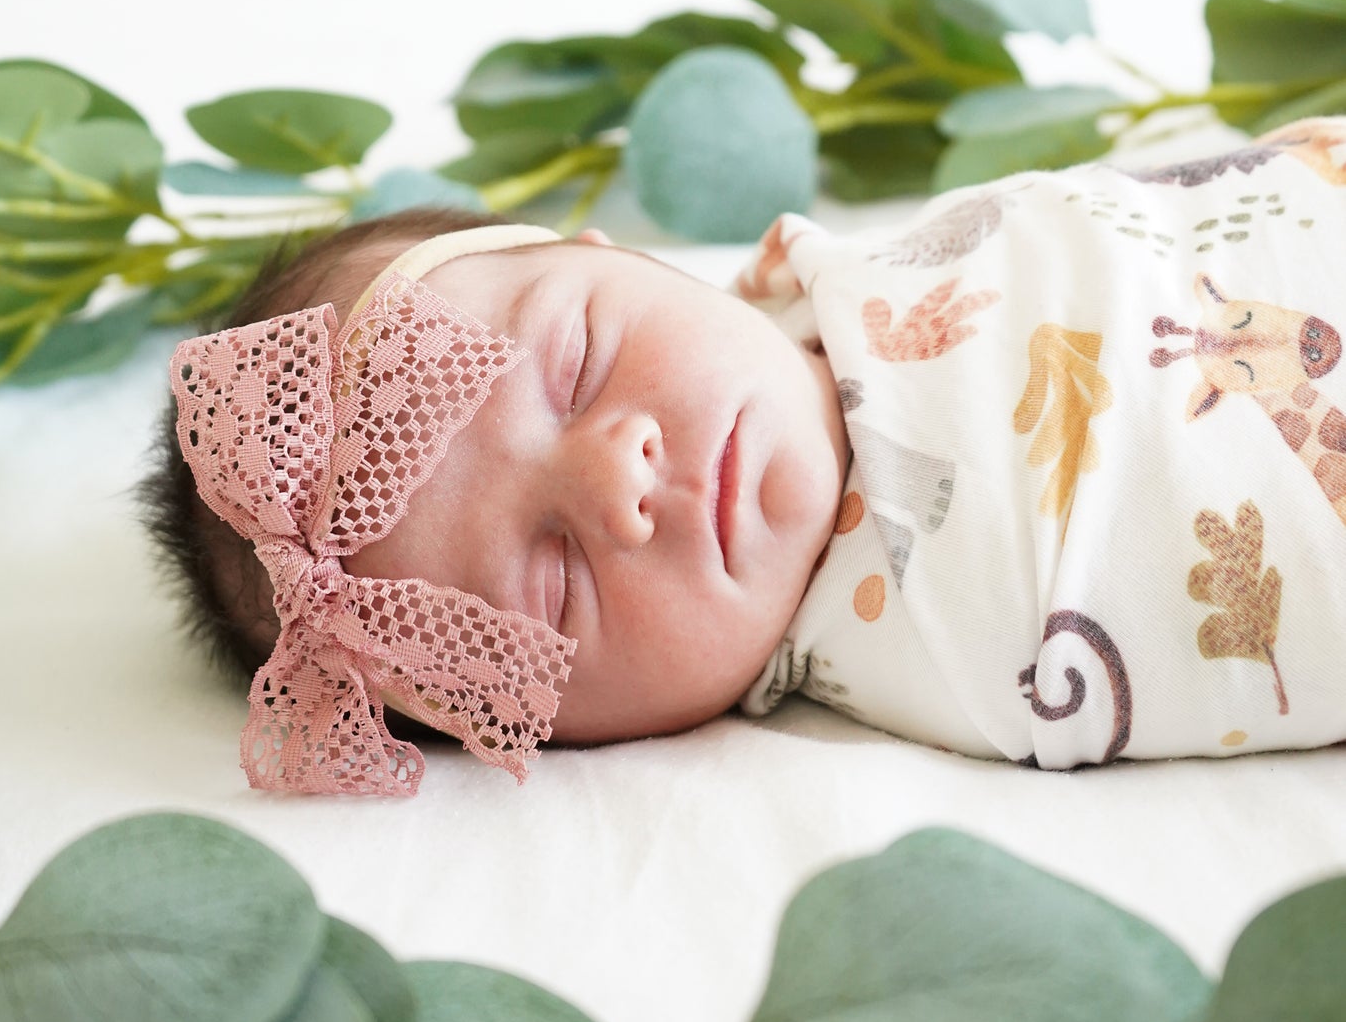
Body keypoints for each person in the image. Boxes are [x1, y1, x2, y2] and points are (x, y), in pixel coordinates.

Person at [136, 116, 1346, 793]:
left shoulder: (815, 278)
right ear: (568, 734)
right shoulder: (920, 675)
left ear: (616, 254)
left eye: (574, 366)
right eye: (549, 587)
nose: (615, 481)